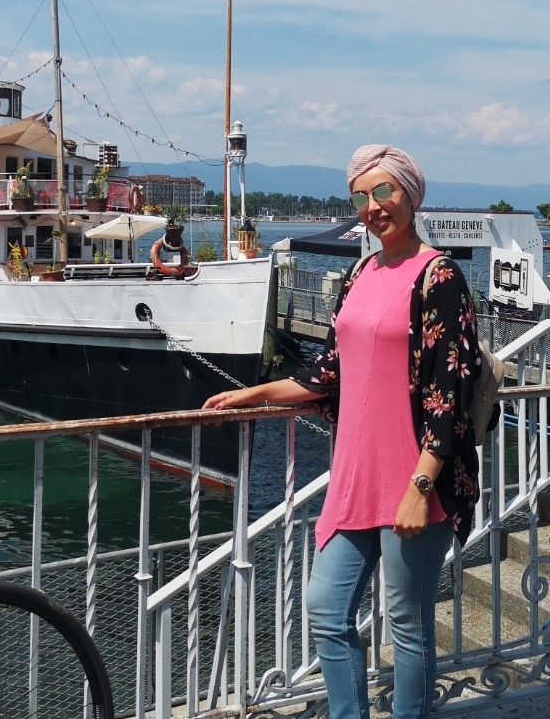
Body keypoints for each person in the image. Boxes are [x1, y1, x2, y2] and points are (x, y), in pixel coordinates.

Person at [203, 144, 485, 719]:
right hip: (356, 477)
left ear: (410, 194)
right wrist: (254, 393)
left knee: (407, 623)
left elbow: (449, 390)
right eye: (361, 196)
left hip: (415, 480)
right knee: (327, 610)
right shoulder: (360, 272)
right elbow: (327, 372)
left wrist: (422, 484)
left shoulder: (439, 275)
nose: (374, 206)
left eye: (384, 191)